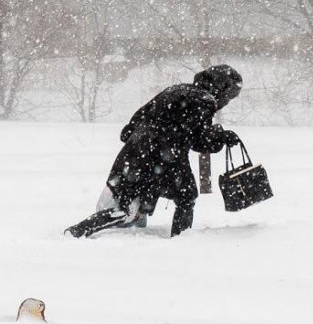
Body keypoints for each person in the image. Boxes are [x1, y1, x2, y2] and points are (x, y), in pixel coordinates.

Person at [65, 65, 243, 238]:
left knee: (131, 201)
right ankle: (182, 239)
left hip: (136, 151)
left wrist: (142, 141)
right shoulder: (205, 100)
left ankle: (81, 229)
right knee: (186, 197)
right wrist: (221, 137)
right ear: (222, 89)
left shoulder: (176, 89)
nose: (226, 102)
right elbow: (198, 138)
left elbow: (134, 123)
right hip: (166, 155)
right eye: (229, 96)